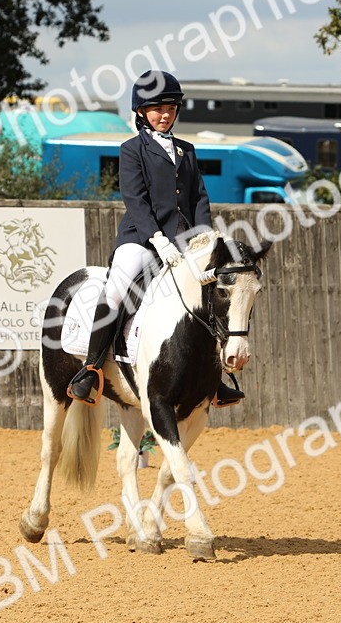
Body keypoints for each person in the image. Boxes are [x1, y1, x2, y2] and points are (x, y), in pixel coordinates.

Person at [66, 69, 245, 409]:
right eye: (157, 109)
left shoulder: (187, 150)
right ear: (141, 112)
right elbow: (135, 199)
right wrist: (158, 238)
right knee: (117, 287)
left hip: (184, 243)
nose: (165, 115)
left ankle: (213, 378)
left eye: (170, 108)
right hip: (140, 237)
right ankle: (90, 368)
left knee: (210, 296)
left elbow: (198, 198)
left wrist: (204, 236)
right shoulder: (132, 150)